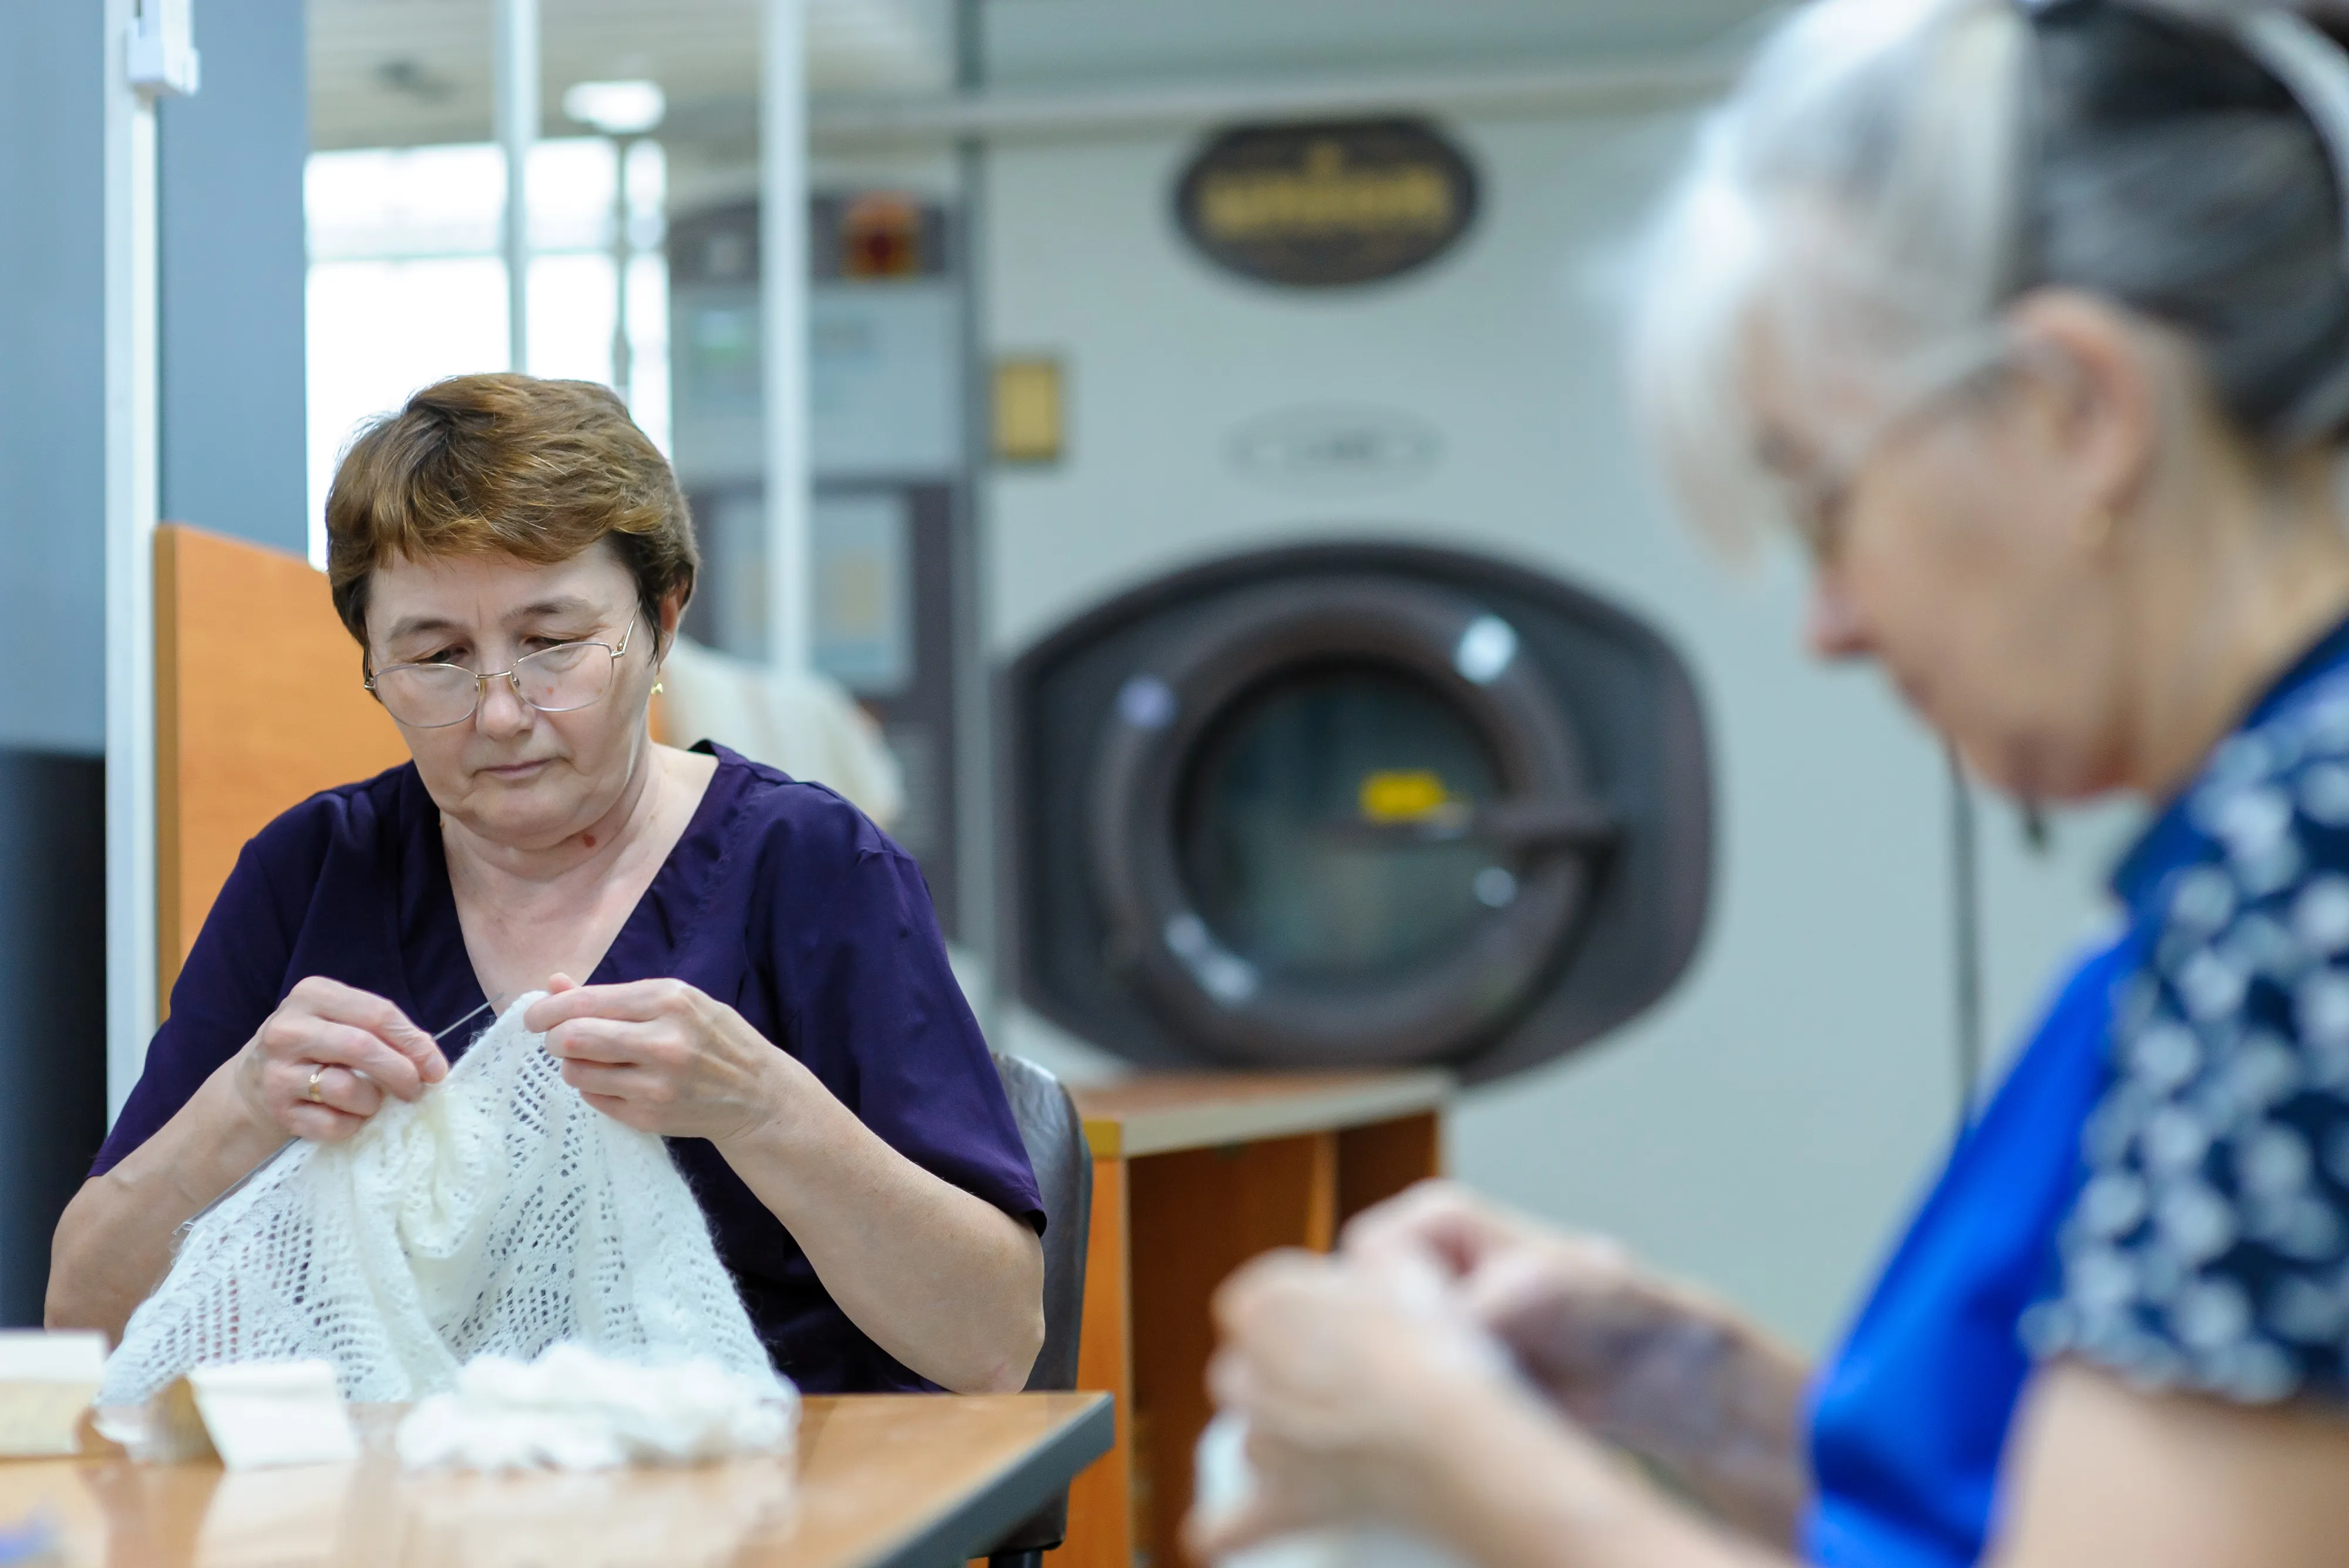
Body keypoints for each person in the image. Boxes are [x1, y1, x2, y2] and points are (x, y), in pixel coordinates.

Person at [1190, 1, 2349, 1563]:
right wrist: (1694, 1391)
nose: (1832, 624)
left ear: (2080, 410)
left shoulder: (2305, 866)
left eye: (1824, 508)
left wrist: (1452, 1458)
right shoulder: (2256, 844)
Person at [46, 373, 1046, 1396]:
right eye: (436, 656)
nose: (500, 714)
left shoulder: (811, 869)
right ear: (373, 667)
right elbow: (84, 1323)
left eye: (552, 644)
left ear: (662, 619)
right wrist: (244, 1106)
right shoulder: (311, 873)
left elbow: (995, 1343)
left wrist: (759, 1107)